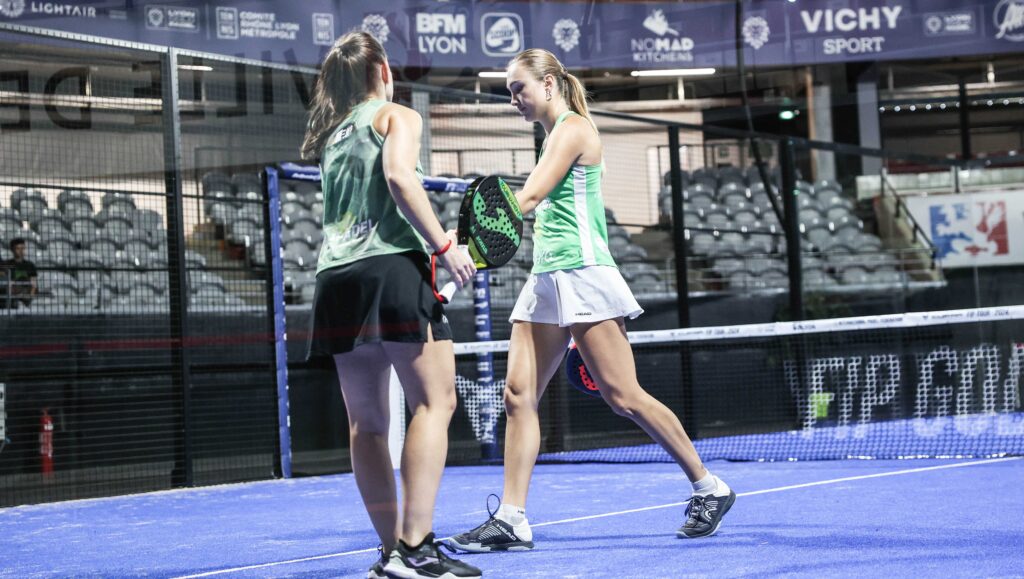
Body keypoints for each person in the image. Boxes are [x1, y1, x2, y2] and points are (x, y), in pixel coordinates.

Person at [446, 49, 735, 553]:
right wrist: (460, 240)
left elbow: (528, 197)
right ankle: (512, 519)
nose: (513, 99)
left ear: (549, 84)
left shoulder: (574, 129)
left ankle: (710, 487)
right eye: (509, 91)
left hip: (583, 273)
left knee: (624, 398)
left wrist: (460, 238)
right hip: (547, 277)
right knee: (518, 396)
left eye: (518, 88)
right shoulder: (551, 135)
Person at [300, 31, 481, 579]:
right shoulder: (397, 115)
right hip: (391, 272)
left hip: (335, 279)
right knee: (435, 403)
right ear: (383, 70)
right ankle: (417, 546)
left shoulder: (333, 137)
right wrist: (444, 246)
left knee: (367, 424)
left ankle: (390, 553)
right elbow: (400, 178)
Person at [0, 238, 38, 309]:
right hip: (11, 293)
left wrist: (29, 297)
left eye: (23, 248)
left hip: (25, 293)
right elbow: (4, 280)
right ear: (12, 250)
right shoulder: (6, 264)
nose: (21, 251)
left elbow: (34, 284)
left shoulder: (30, 265)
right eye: (18, 248)